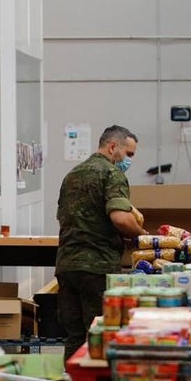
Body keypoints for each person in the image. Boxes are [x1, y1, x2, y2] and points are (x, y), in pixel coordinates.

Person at [55, 124, 147, 360]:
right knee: (100, 333)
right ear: (113, 146)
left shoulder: (72, 175)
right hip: (97, 267)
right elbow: (121, 218)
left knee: (75, 336)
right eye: (128, 154)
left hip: (67, 265)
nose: (129, 160)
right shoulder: (111, 174)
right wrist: (141, 236)